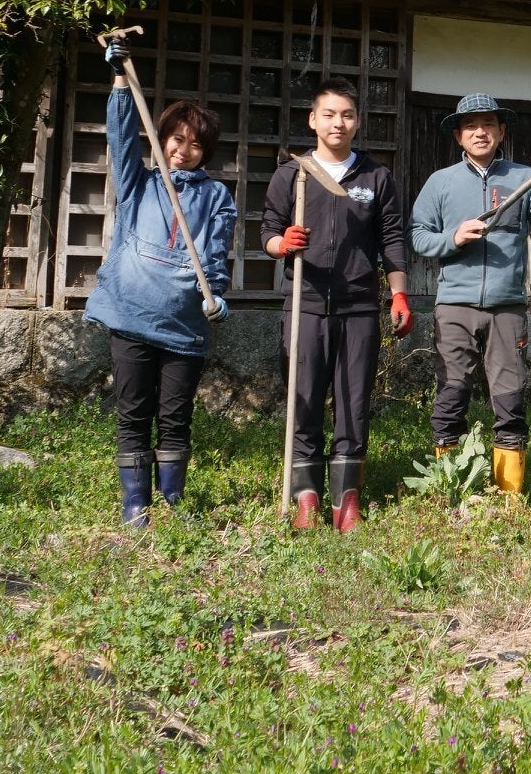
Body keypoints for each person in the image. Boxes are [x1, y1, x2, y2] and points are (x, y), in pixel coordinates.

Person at [84, 38, 236, 528]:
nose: (184, 150)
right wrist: (120, 83)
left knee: (175, 417)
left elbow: (214, 255)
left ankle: (171, 504)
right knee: (134, 413)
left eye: (195, 144)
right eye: (177, 139)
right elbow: (121, 138)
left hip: (184, 325)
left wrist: (215, 295)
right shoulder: (138, 183)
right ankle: (135, 505)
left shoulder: (216, 196)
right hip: (130, 314)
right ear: (164, 138)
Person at [261, 77, 411, 532]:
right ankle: (304, 494)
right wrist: (280, 244)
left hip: (359, 306)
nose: (338, 122)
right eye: (329, 114)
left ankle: (346, 498)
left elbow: (392, 240)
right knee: (303, 397)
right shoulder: (293, 173)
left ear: (357, 121)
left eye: (346, 114)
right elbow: (266, 228)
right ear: (313, 120)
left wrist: (399, 292)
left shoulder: (375, 177)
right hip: (304, 303)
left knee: (352, 401)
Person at [410, 92, 531, 497]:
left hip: (507, 307)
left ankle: (509, 495)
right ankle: (450, 486)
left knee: (510, 399)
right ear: (459, 137)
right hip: (454, 306)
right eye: (470, 126)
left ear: (501, 131)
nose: (480, 132)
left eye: (488, 125)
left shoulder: (524, 178)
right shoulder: (440, 182)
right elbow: (417, 235)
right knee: (451, 395)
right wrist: (454, 237)